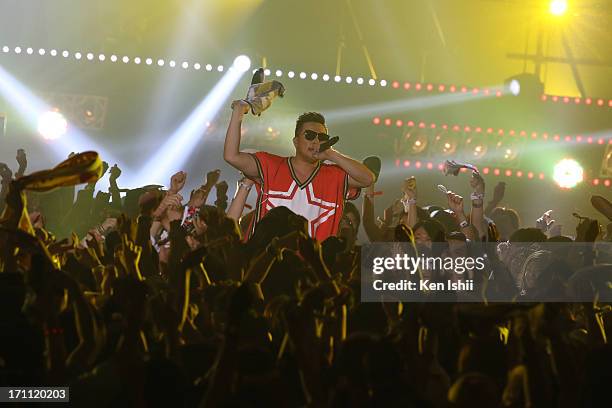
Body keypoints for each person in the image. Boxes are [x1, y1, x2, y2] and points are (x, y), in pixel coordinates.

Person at [223, 100, 374, 241]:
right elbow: (231, 156)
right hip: (269, 264)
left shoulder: (335, 175)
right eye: (309, 135)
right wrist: (239, 110)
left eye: (321, 137)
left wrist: (331, 154)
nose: (315, 141)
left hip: (313, 266)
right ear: (295, 141)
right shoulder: (271, 165)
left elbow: (368, 179)